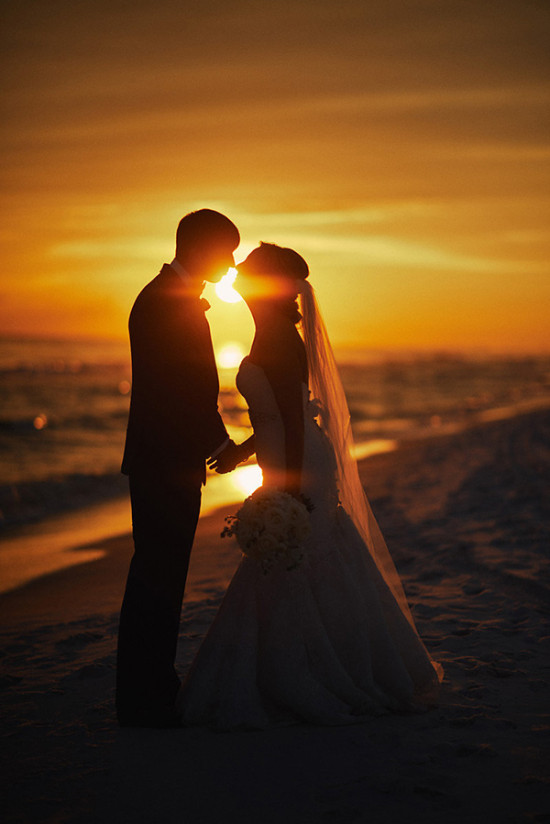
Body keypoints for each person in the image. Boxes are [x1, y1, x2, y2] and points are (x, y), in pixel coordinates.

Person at [177, 242, 443, 729]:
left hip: (298, 462)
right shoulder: (268, 332)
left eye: (249, 273)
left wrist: (291, 485)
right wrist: (243, 450)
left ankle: (311, 671)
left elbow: (294, 425)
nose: (238, 278)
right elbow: (280, 417)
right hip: (287, 455)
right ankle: (297, 666)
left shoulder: (279, 338)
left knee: (300, 552)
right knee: (301, 555)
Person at [116, 208, 246, 728]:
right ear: (198, 247)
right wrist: (221, 443)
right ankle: (144, 699)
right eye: (226, 250)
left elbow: (188, 390)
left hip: (169, 460)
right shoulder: (164, 303)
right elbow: (181, 390)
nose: (232, 261)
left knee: (162, 577)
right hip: (162, 462)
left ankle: (150, 690)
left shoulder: (170, 298)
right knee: (156, 577)